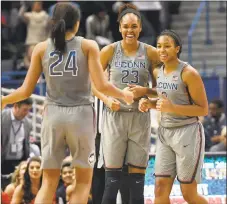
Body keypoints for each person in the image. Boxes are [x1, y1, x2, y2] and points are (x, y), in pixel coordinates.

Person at [1, 2, 134, 204]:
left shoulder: (41, 48)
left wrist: (4, 100)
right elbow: (102, 85)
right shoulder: (88, 45)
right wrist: (124, 95)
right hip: (81, 116)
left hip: (53, 115)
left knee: (48, 183)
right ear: (78, 22)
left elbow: (25, 90)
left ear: (53, 22)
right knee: (82, 183)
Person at [93, 3, 160, 204]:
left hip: (140, 117)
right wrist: (107, 99)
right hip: (114, 117)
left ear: (140, 28)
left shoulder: (151, 53)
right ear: (119, 28)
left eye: (134, 26)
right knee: (111, 181)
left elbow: (163, 89)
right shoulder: (108, 51)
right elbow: (91, 83)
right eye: (126, 26)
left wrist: (148, 97)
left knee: (137, 183)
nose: (129, 30)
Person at [138, 29, 209, 204]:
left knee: (188, 193)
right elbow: (164, 99)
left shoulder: (189, 73)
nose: (162, 50)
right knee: (160, 188)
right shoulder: (157, 72)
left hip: (188, 133)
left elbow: (203, 109)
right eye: (159, 46)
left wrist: (172, 107)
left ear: (177, 48)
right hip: (165, 133)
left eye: (167, 46)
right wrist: (149, 103)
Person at [1, 98, 32, 175]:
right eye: (24, 110)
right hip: (3, 161)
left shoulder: (28, 123)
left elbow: (26, 144)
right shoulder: (2, 117)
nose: (26, 113)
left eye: (29, 110)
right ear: (15, 106)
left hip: (19, 163)